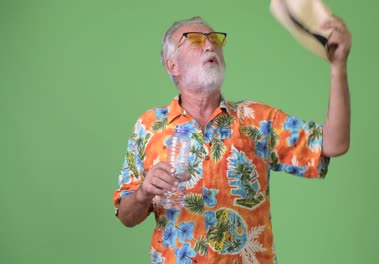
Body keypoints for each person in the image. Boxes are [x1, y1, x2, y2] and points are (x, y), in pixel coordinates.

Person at [113, 15, 351, 264]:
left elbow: (334, 144)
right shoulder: (149, 126)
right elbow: (126, 216)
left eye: (214, 39)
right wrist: (143, 194)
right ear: (172, 65)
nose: (209, 45)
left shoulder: (258, 120)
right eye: (195, 40)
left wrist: (338, 67)